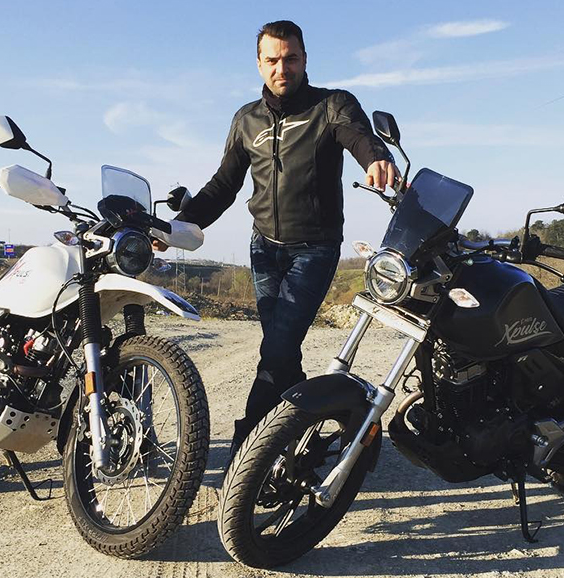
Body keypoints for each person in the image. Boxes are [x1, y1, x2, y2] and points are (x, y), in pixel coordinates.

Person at [165, 20, 397, 464]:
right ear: (259, 64)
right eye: (272, 60)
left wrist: (377, 158)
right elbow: (223, 185)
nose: (281, 68)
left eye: (290, 58)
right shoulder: (245, 120)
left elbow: (358, 136)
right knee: (281, 351)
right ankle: (309, 432)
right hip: (264, 249)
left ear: (305, 59)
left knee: (275, 350)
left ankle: (246, 454)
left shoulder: (332, 105)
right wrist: (179, 226)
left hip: (315, 248)